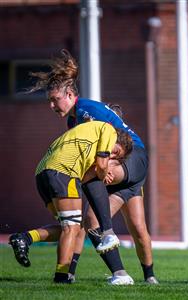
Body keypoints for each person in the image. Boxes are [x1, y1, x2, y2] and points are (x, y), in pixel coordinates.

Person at [9, 49, 158, 285]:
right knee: (96, 223)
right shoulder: (72, 120)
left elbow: (111, 138)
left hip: (131, 158)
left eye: (54, 99)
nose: (51, 105)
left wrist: (104, 163)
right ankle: (127, 276)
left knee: (90, 205)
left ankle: (115, 250)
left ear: (69, 94)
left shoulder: (86, 109)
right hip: (123, 169)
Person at [28, 121, 132, 283]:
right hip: (62, 173)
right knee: (72, 228)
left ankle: (25, 238)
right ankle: (62, 276)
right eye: (115, 151)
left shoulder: (83, 134)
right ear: (116, 141)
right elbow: (101, 164)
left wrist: (99, 171)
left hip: (41, 173)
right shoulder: (108, 131)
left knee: (68, 227)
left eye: (116, 157)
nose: (112, 156)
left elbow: (87, 174)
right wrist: (103, 173)